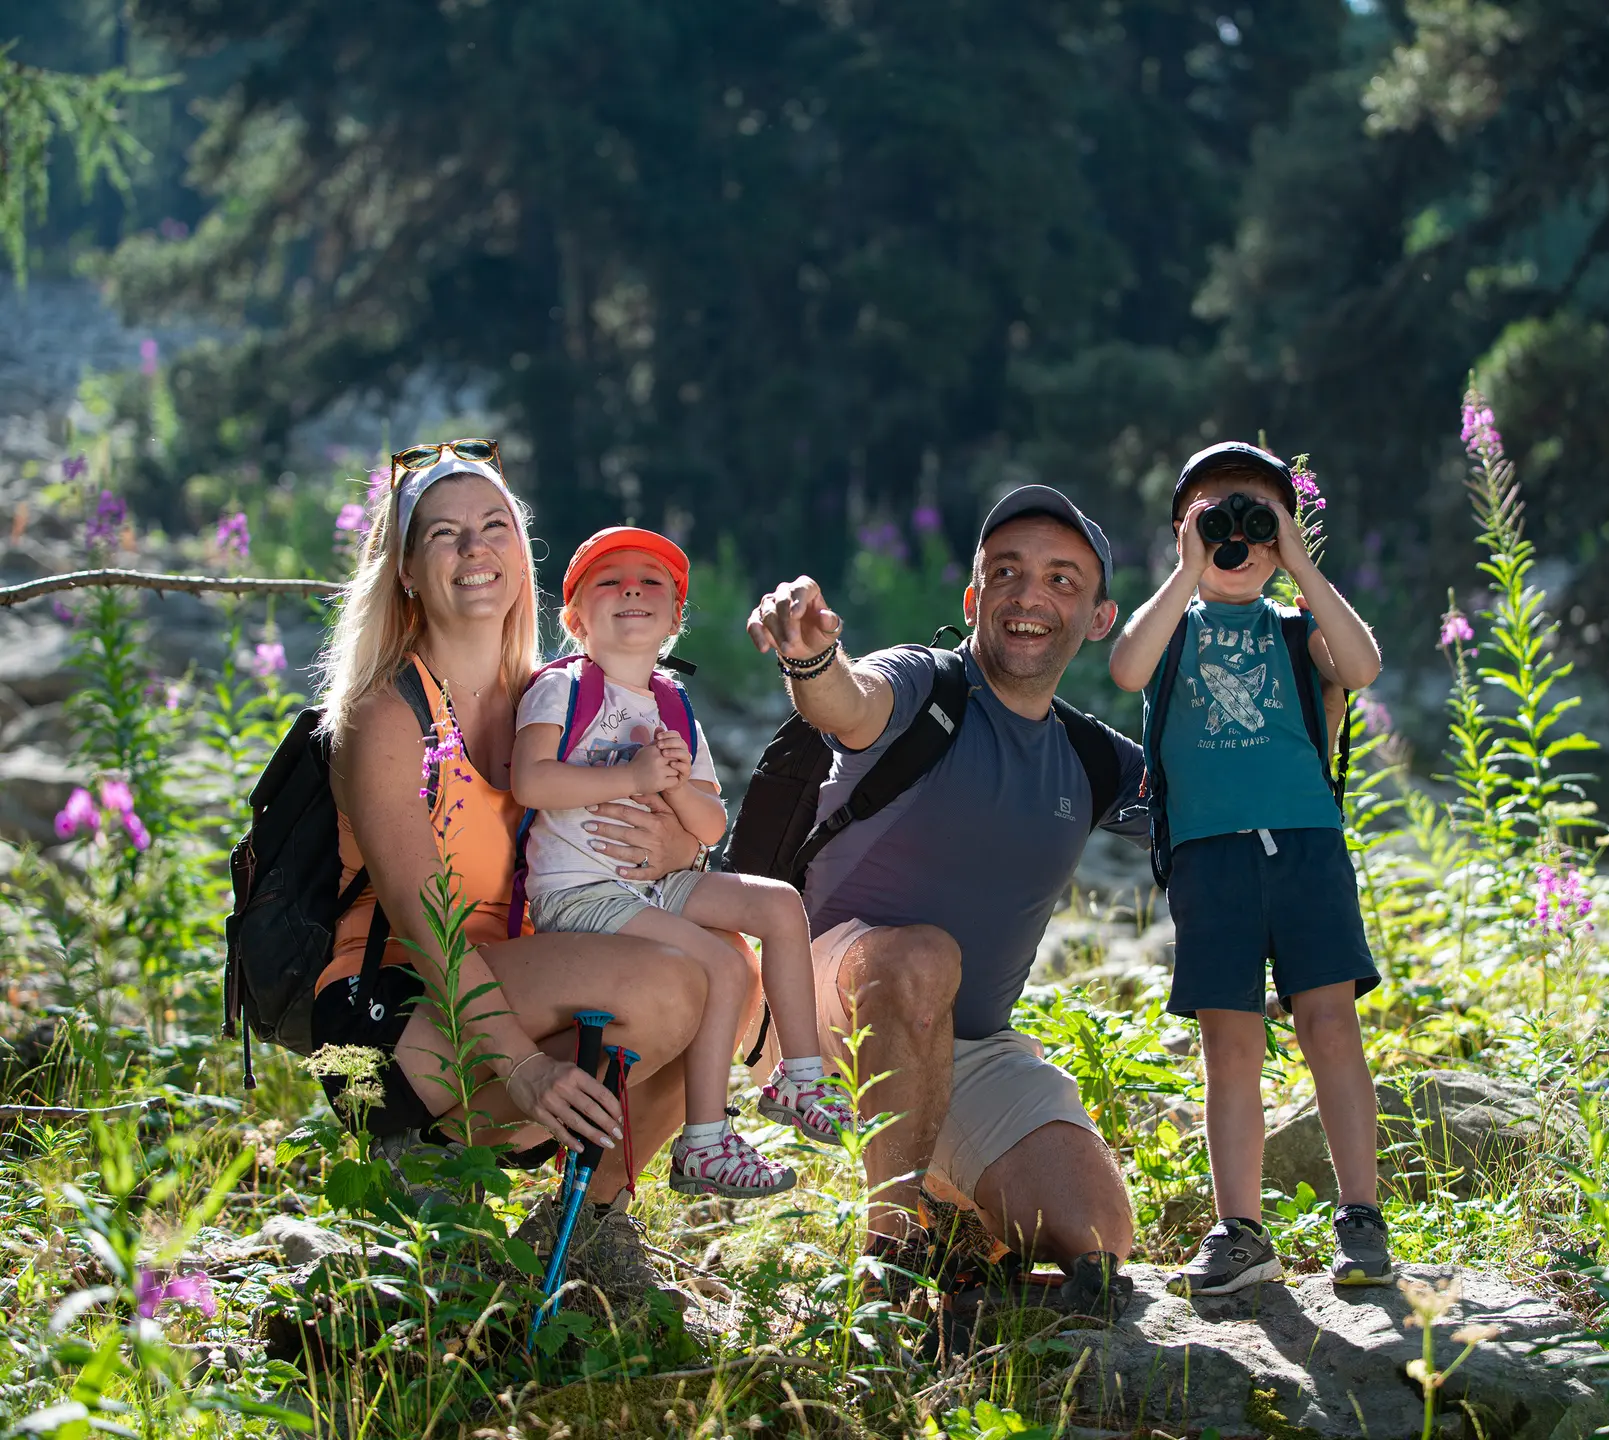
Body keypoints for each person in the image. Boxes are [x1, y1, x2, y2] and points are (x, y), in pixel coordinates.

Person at [311, 438, 720, 1298]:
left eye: (493, 526)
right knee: (677, 984)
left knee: (732, 973)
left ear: (521, 555)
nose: (474, 550)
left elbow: (660, 834)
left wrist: (677, 847)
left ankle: (588, 1241)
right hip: (398, 1021)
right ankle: (414, 1165)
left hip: (516, 994)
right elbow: (428, 928)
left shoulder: (552, 698)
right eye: (444, 535)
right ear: (408, 572)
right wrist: (525, 1068)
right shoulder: (386, 714)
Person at [744, 486, 1147, 1315]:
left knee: (1097, 1236)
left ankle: (954, 1233)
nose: (1030, 595)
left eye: (1062, 581)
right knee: (924, 956)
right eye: (1007, 572)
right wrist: (811, 660)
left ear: (1100, 619)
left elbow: (1223, 809)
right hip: (811, 1001)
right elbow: (846, 703)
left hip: (959, 1040)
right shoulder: (923, 685)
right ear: (973, 599)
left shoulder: (1093, 758)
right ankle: (890, 1253)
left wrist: (1310, 692)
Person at [1109, 441, 1393, 1295]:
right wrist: (1189, 568)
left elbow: (1366, 667)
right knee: (1228, 1046)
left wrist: (1297, 560)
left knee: (1330, 1029)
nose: (1239, 540)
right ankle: (1241, 1230)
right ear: (1184, 535)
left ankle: (1361, 1218)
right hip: (1210, 857)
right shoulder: (1176, 629)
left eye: (1256, 523)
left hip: (1306, 848)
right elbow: (1125, 667)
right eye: (1216, 520)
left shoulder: (1299, 629)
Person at [512, 527, 853, 1200]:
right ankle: (706, 1140)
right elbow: (531, 783)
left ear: (674, 619)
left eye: (652, 582)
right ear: (575, 617)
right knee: (725, 963)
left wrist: (668, 786)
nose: (632, 588)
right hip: (580, 893)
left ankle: (801, 1074)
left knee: (779, 905)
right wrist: (633, 775)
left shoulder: (670, 702)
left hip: (654, 884)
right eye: (609, 581)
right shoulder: (561, 689)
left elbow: (709, 822)